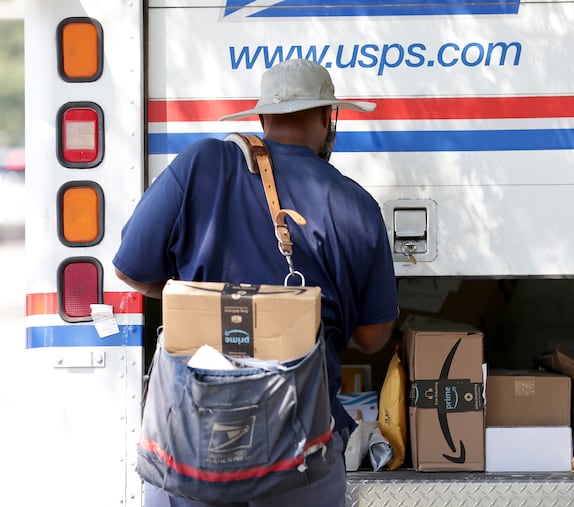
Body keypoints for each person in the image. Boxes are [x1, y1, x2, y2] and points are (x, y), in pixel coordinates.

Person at [113, 58, 399, 507]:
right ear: (328, 117)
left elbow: (130, 270)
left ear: (263, 118)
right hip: (302, 453)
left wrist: (201, 303)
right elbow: (371, 337)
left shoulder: (200, 164)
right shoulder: (356, 205)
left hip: (191, 446)